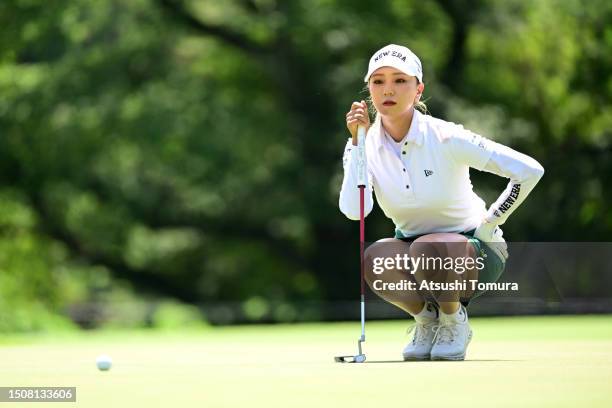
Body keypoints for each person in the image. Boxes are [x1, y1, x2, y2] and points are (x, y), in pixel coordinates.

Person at [339, 44, 544, 361]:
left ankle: (453, 320)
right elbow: (356, 211)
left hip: (475, 251)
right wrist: (357, 143)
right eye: (378, 81)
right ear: (369, 90)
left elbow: (529, 171)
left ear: (418, 90)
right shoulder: (362, 143)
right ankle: (427, 321)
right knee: (376, 258)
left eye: (400, 80)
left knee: (432, 247)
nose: (388, 89)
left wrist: (491, 223)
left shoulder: (446, 136)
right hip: (415, 251)